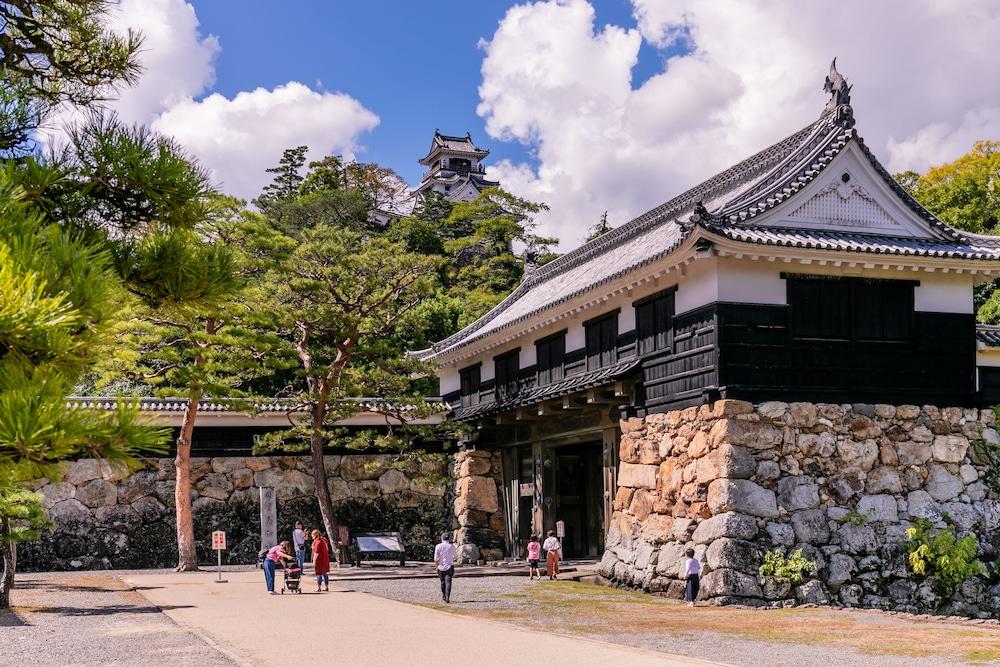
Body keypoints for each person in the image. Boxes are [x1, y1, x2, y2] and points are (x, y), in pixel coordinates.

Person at [434, 532, 456, 604]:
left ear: (442, 538)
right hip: (449, 566)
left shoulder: (438, 546)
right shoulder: (452, 546)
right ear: (448, 538)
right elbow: (454, 557)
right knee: (448, 581)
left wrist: (436, 567)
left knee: (442, 582)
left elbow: (436, 559)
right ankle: (447, 596)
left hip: (441, 566)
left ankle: (443, 595)